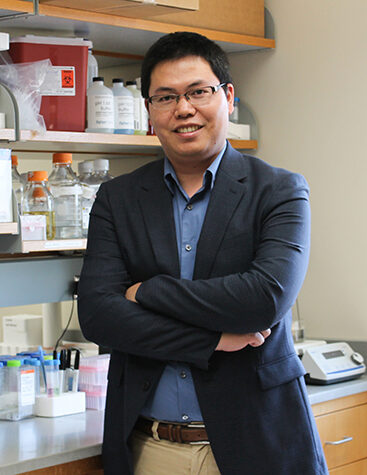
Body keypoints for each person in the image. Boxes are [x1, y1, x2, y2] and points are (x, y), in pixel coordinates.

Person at [77, 31, 327, 475]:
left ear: (227, 97)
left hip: (258, 444)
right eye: (166, 97)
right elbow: (99, 315)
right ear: (150, 112)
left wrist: (148, 292)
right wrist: (212, 340)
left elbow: (263, 298)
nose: (184, 109)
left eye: (198, 92)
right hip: (148, 448)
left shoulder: (279, 190)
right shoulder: (118, 199)